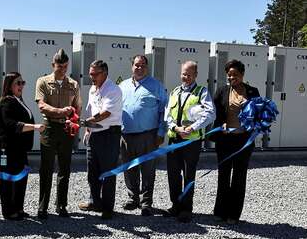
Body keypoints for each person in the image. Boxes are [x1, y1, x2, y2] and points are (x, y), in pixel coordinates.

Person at [164, 61, 216, 223]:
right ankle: (176, 205)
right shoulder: (174, 91)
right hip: (174, 138)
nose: (185, 77)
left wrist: (192, 128)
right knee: (173, 174)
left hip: (191, 142)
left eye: (189, 74)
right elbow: (167, 116)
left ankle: (186, 209)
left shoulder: (202, 92)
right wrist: (175, 128)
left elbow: (210, 114)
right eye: (183, 74)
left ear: (195, 75)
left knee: (188, 175)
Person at [117, 55, 167, 216]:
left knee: (148, 170)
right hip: (126, 135)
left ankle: (146, 202)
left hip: (148, 136)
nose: (140, 68)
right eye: (137, 65)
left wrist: (161, 133)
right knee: (129, 168)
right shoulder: (122, 86)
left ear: (147, 67)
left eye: (143, 65)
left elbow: (164, 112)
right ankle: (133, 199)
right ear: (132, 66)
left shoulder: (156, 86)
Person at [211, 59, 260, 225]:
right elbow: (214, 114)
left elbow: (259, 115)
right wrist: (220, 125)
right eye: (229, 75)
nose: (232, 78)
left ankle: (234, 214)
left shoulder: (253, 92)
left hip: (243, 141)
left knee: (239, 177)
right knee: (223, 176)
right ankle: (220, 212)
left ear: (242, 74)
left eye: (236, 75)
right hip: (225, 140)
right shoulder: (221, 91)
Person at [34, 49, 81, 219]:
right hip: (50, 128)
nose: (63, 69)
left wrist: (74, 121)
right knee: (46, 169)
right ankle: (42, 207)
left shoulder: (73, 84)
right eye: (59, 66)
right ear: (53, 65)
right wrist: (61, 111)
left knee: (65, 169)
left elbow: (78, 108)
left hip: (66, 129)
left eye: (65, 66)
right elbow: (42, 106)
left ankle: (61, 205)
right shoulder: (43, 82)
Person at [0, 72, 45, 220]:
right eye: (18, 83)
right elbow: (12, 125)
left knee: (21, 176)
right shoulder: (6, 102)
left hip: (19, 148)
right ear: (9, 85)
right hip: (7, 147)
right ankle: (9, 211)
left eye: (23, 82)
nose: (21, 86)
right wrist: (35, 127)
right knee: (8, 179)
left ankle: (18, 208)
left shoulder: (18, 100)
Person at [78, 60, 122, 219]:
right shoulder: (92, 89)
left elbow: (105, 113)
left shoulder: (113, 89)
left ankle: (108, 208)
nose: (91, 77)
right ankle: (95, 201)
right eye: (90, 74)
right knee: (93, 171)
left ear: (104, 73)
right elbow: (91, 109)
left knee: (108, 173)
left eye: (94, 74)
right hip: (95, 134)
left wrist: (86, 122)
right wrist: (88, 129)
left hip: (109, 135)